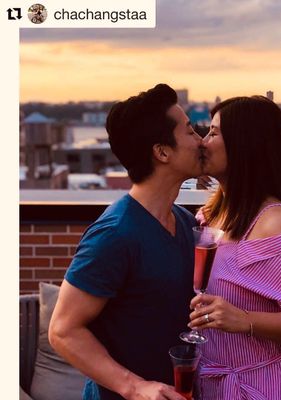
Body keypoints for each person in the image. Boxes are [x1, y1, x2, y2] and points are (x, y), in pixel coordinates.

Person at [49, 84, 203, 400]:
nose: (200, 140)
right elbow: (63, 330)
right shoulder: (114, 234)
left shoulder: (187, 223)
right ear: (162, 152)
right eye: (190, 132)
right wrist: (134, 387)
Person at [188, 95, 281, 399]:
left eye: (214, 133)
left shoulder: (274, 223)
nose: (203, 142)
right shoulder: (209, 215)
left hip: (262, 387)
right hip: (211, 385)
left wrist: (245, 319)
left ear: (244, 145)